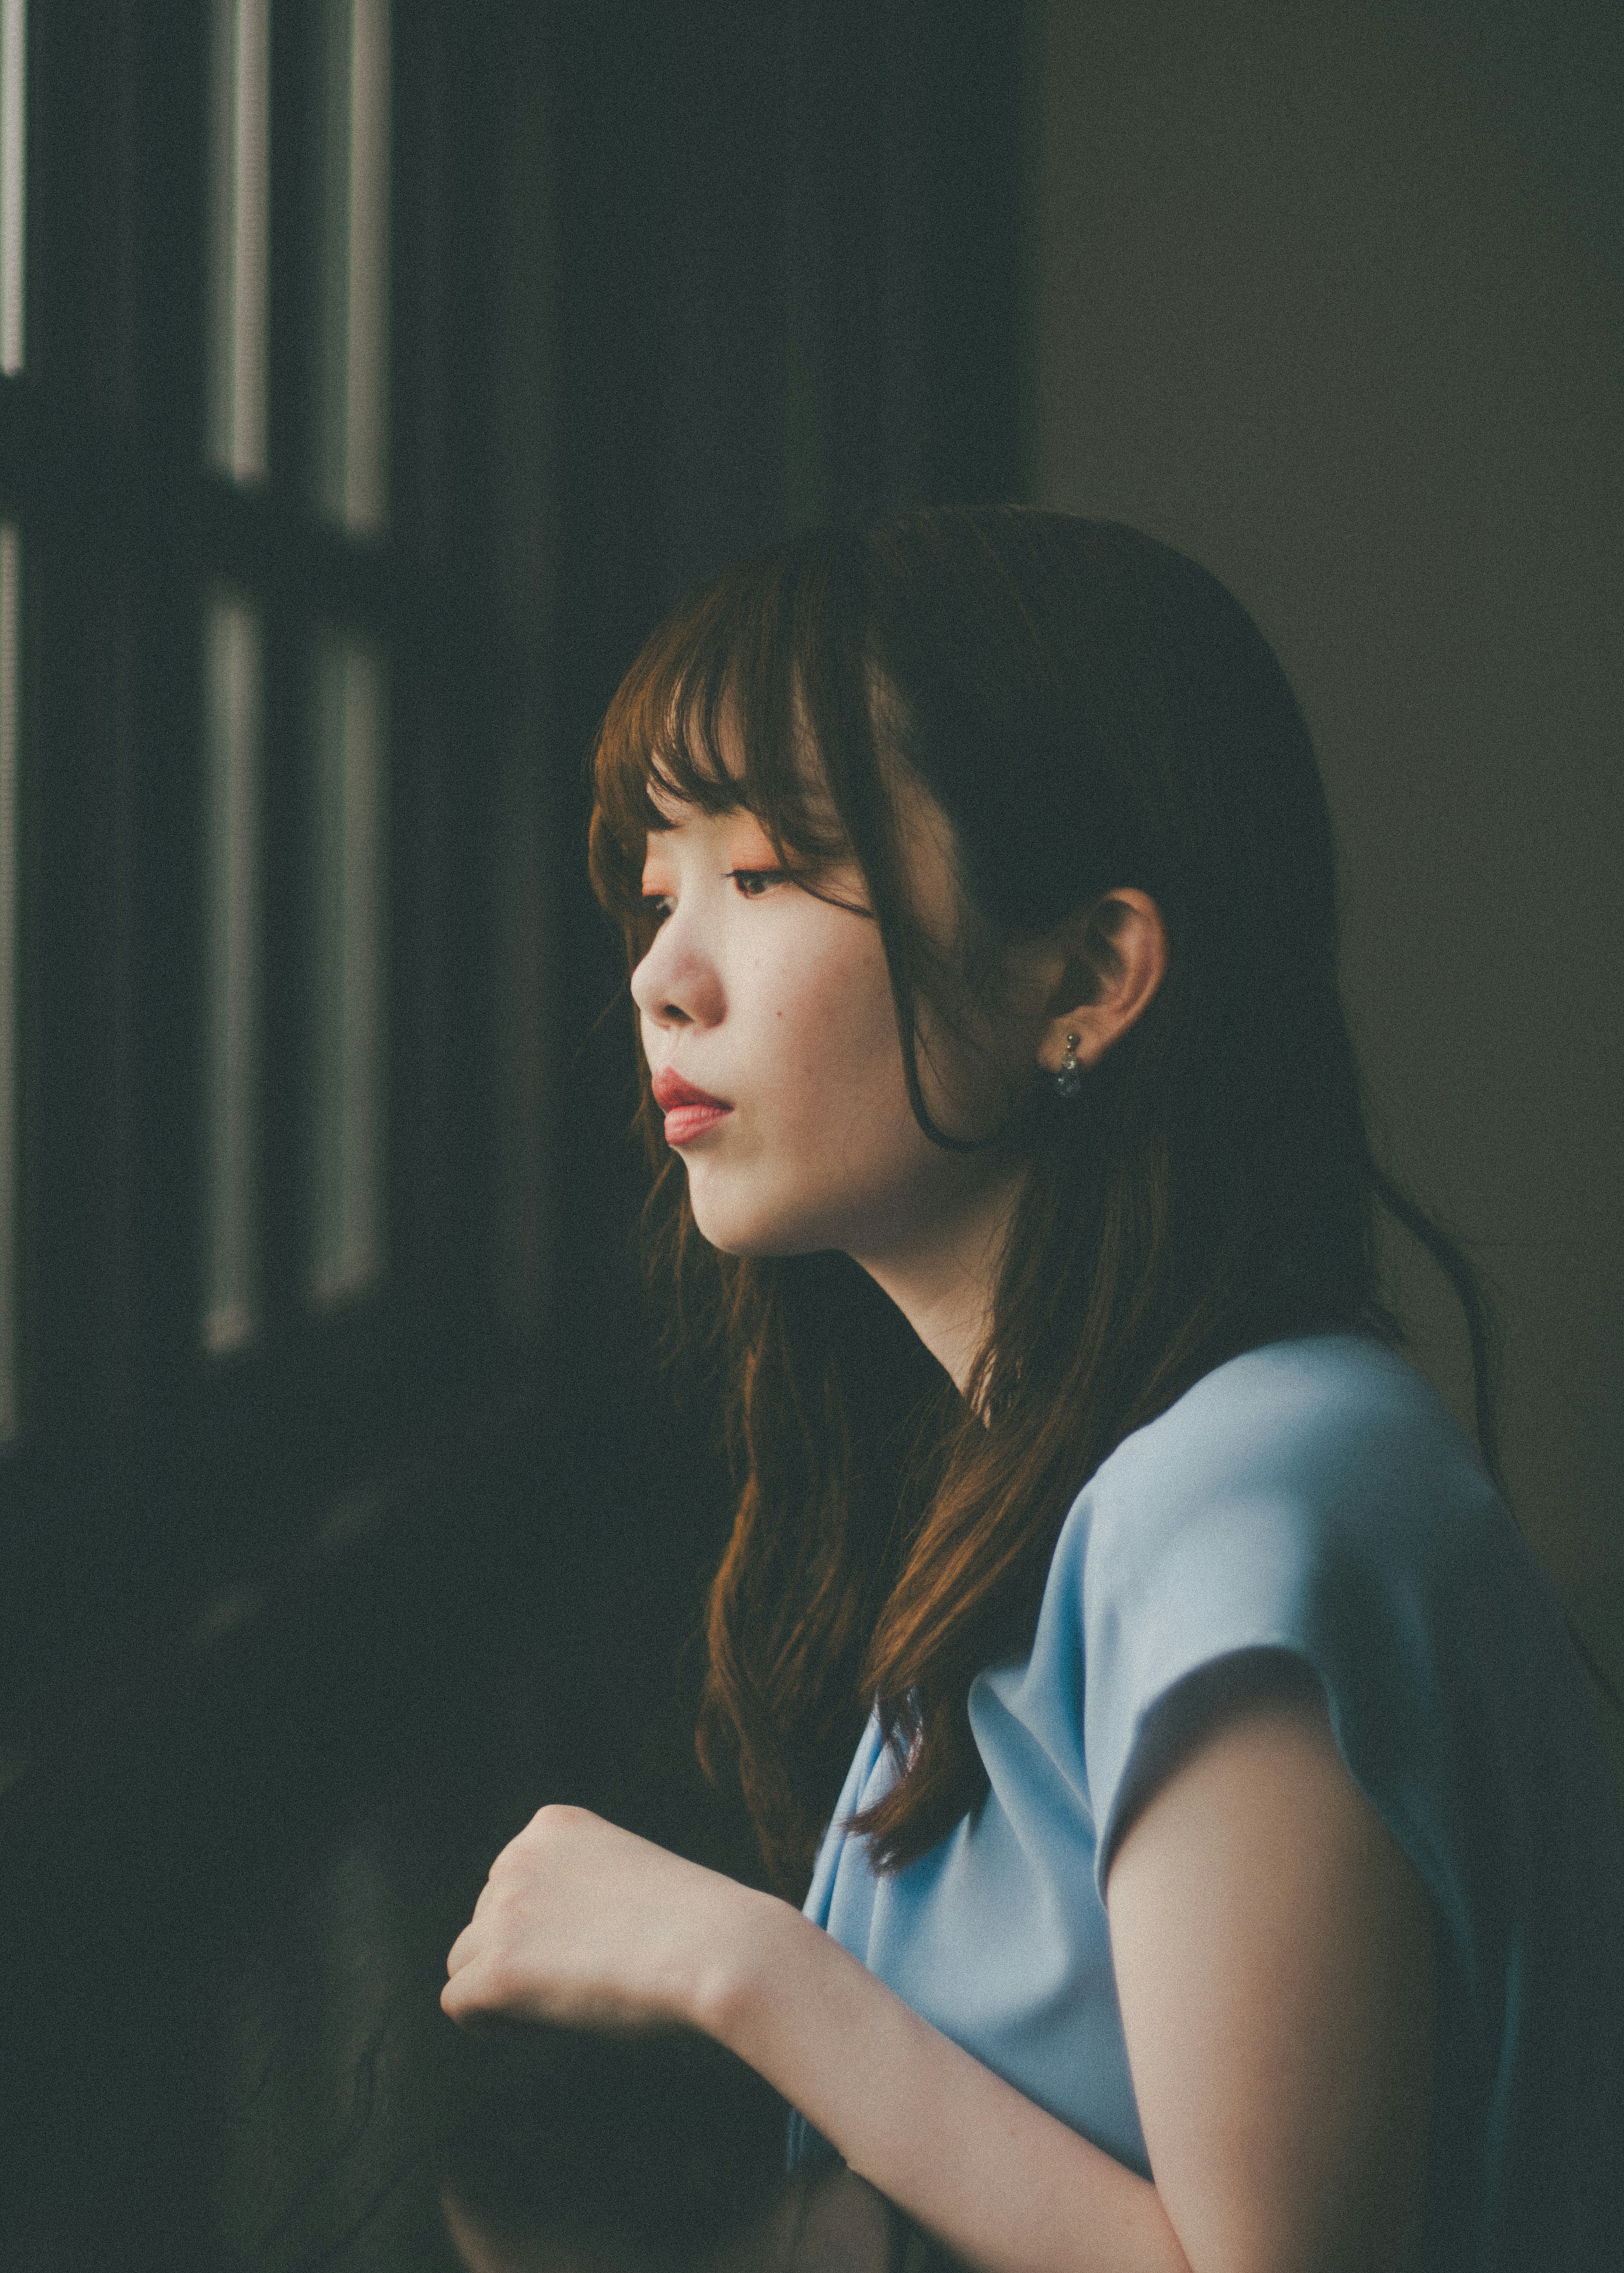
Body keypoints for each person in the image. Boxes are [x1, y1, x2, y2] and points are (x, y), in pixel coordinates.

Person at [442, 509, 1624, 2272]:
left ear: (1085, 976)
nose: (661, 977)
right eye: (657, 886)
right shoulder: (1080, 1474)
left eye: (761, 872)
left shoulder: (1251, 1501)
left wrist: (748, 1971)